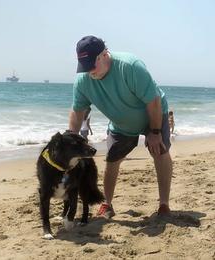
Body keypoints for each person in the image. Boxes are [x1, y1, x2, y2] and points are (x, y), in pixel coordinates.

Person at [68, 35, 173, 218]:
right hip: (121, 123)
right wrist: (70, 139)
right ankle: (107, 204)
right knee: (112, 159)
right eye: (84, 67)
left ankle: (164, 204)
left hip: (153, 114)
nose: (89, 71)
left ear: (104, 55)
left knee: (159, 151)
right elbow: (77, 112)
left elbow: (153, 101)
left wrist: (155, 132)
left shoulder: (130, 66)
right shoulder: (83, 80)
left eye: (92, 65)